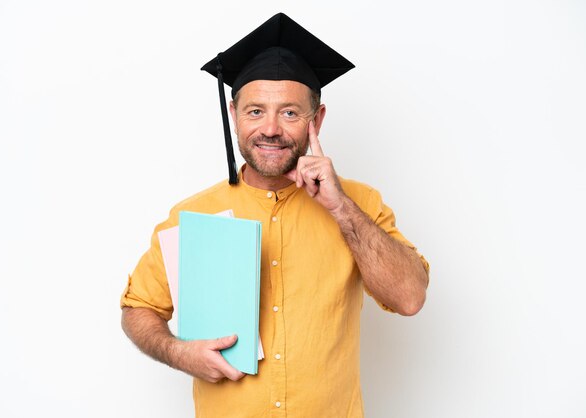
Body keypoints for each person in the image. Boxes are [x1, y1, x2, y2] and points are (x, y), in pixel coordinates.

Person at [120, 13, 429, 418]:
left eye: (289, 113)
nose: (270, 129)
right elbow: (138, 309)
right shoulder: (191, 215)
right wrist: (181, 353)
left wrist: (341, 208)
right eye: (255, 112)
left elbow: (409, 297)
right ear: (233, 115)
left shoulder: (360, 205)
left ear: (316, 121)